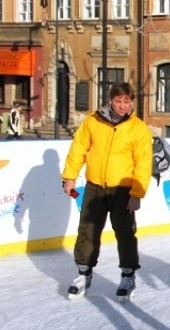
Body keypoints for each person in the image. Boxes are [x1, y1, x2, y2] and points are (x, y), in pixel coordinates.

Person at [61, 82, 154, 301]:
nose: (123, 106)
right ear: (110, 100)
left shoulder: (138, 128)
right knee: (88, 230)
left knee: (125, 233)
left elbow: (143, 163)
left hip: (122, 190)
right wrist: (70, 177)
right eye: (119, 101)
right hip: (95, 186)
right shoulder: (93, 121)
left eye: (127, 101)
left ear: (132, 102)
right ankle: (84, 274)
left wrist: (137, 194)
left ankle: (128, 276)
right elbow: (78, 149)